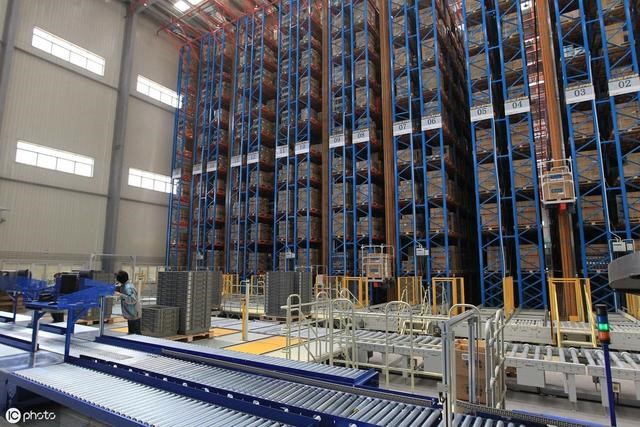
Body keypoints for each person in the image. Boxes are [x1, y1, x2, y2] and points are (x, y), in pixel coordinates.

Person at [114, 270, 141, 335]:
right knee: (131, 333)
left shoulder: (128, 287)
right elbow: (121, 289)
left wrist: (120, 295)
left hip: (133, 314)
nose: (117, 281)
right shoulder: (125, 285)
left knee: (136, 334)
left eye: (117, 280)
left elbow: (132, 299)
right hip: (131, 313)